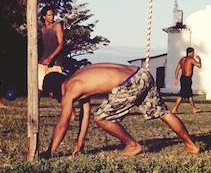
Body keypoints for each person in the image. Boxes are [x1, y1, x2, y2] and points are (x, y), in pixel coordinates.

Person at [44, 63, 199, 157]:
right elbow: (85, 114)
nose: (55, 99)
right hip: (142, 74)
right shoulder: (78, 77)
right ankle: (191, 145)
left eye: (51, 95)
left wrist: (50, 151)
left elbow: (63, 124)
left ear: (53, 89)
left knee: (101, 117)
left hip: (129, 83)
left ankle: (132, 146)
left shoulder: (69, 88)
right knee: (162, 112)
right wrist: (79, 143)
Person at [38, 6, 65, 91]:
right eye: (49, 15)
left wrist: (50, 58)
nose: (52, 17)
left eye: (52, 15)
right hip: (43, 60)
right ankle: (35, 104)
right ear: (44, 16)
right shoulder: (42, 29)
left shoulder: (57, 26)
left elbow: (61, 44)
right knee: (39, 85)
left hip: (56, 61)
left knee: (58, 87)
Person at [171, 47, 201, 114]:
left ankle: (193, 108)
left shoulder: (182, 59)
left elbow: (177, 69)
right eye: (193, 53)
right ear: (191, 52)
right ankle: (175, 109)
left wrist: (176, 78)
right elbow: (199, 65)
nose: (194, 54)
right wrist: (199, 59)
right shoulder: (190, 59)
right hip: (187, 79)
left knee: (188, 94)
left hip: (182, 78)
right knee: (183, 94)